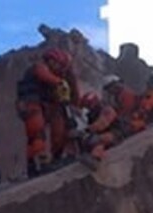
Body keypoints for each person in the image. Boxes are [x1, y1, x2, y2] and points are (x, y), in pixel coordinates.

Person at [16, 48, 79, 177]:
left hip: (45, 105)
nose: (58, 68)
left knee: (60, 128)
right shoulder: (40, 68)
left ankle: (56, 157)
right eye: (58, 64)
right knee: (37, 132)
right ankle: (39, 163)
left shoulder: (58, 77)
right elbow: (43, 74)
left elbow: (73, 95)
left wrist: (71, 102)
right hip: (31, 102)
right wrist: (60, 83)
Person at [79, 91, 122, 162]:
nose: (88, 108)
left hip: (115, 133)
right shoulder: (90, 115)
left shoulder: (107, 110)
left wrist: (85, 130)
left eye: (89, 105)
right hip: (101, 133)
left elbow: (102, 124)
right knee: (89, 140)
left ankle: (95, 159)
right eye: (86, 106)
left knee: (96, 140)